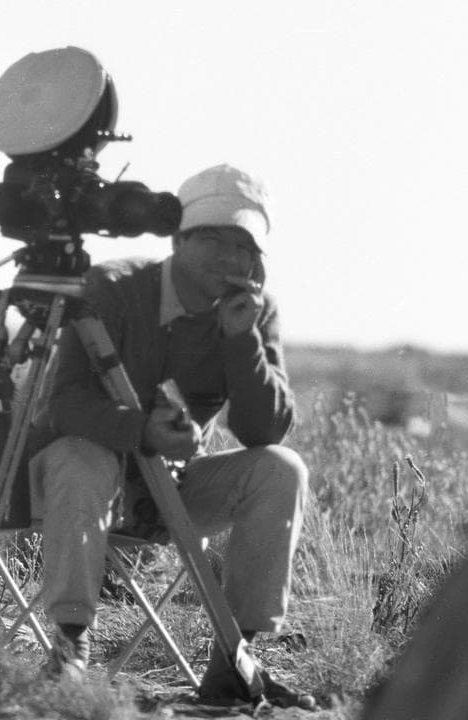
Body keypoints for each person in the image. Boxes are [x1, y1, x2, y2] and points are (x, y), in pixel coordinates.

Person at [26, 163, 313, 709]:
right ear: (179, 240)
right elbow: (64, 402)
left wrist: (240, 337)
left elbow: (263, 429)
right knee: (82, 457)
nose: (231, 260)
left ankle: (235, 661)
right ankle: (70, 647)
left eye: (244, 247)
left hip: (168, 494)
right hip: (76, 482)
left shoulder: (252, 311)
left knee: (280, 468)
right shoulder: (111, 288)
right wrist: (143, 433)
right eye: (213, 240)